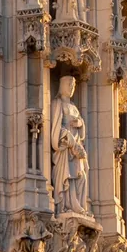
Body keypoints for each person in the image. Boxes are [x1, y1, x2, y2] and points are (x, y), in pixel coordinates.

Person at [50, 75, 89, 215]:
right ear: (62, 86)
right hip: (65, 147)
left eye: (73, 86)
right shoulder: (57, 103)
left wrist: (80, 123)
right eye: (69, 85)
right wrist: (69, 138)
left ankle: (78, 204)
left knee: (82, 176)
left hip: (76, 148)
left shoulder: (74, 106)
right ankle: (67, 204)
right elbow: (56, 127)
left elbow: (82, 130)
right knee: (67, 176)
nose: (72, 88)